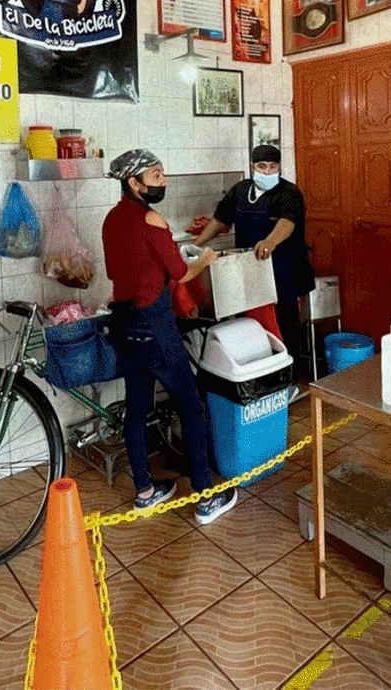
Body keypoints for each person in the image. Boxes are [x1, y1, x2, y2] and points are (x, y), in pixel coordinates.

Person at [102, 149, 238, 524]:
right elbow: (180, 272)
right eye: (156, 175)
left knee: (137, 404)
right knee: (191, 405)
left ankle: (145, 492)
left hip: (125, 324)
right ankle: (206, 499)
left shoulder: (112, 219)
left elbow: (118, 269)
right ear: (135, 182)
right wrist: (205, 260)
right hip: (154, 325)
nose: (164, 181)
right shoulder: (151, 218)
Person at [193, 144, 315, 376]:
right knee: (252, 324)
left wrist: (270, 241)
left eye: (273, 167)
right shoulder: (240, 190)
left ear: (279, 167)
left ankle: (288, 376)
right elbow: (220, 219)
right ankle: (259, 374)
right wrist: (197, 245)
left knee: (284, 323)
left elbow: (287, 222)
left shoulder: (289, 193)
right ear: (252, 167)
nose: (267, 172)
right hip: (249, 269)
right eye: (262, 167)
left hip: (283, 269)